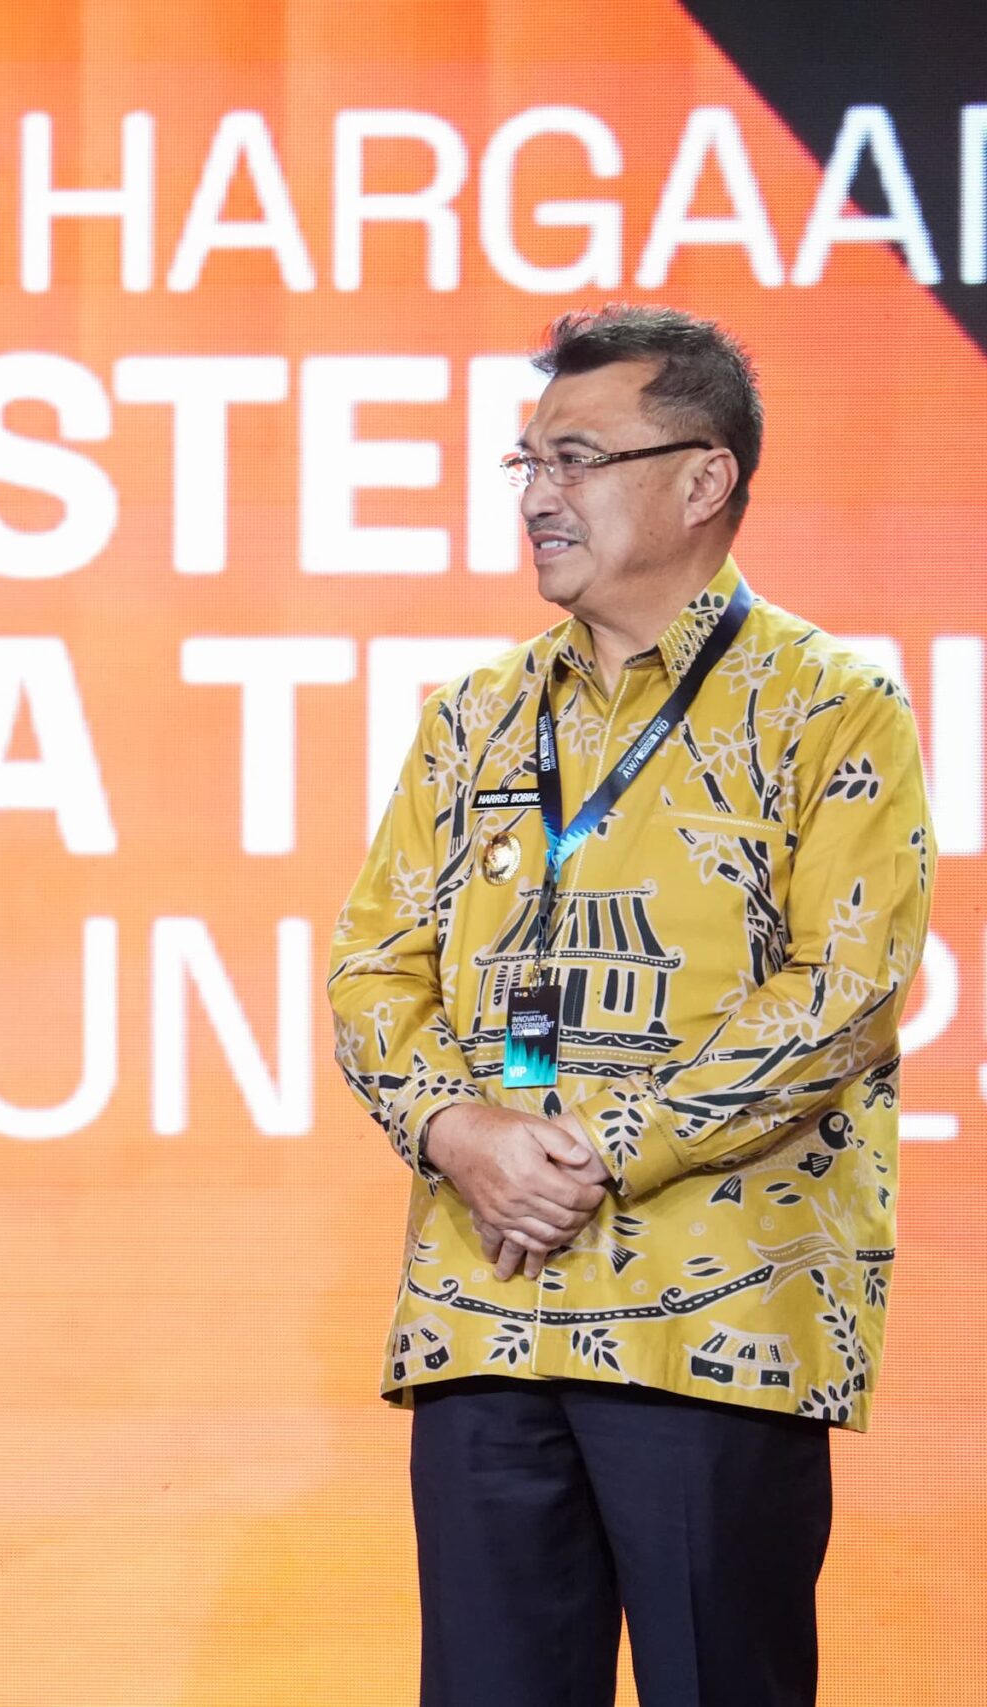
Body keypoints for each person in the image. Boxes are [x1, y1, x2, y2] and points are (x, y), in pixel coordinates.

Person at [329, 304, 933, 1707]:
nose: (538, 494)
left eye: (577, 458)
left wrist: (595, 1149)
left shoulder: (830, 704)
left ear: (704, 478)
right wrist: (461, 1132)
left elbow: (842, 991)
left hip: (712, 1322)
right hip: (486, 1306)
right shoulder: (471, 716)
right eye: (526, 461)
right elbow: (372, 966)